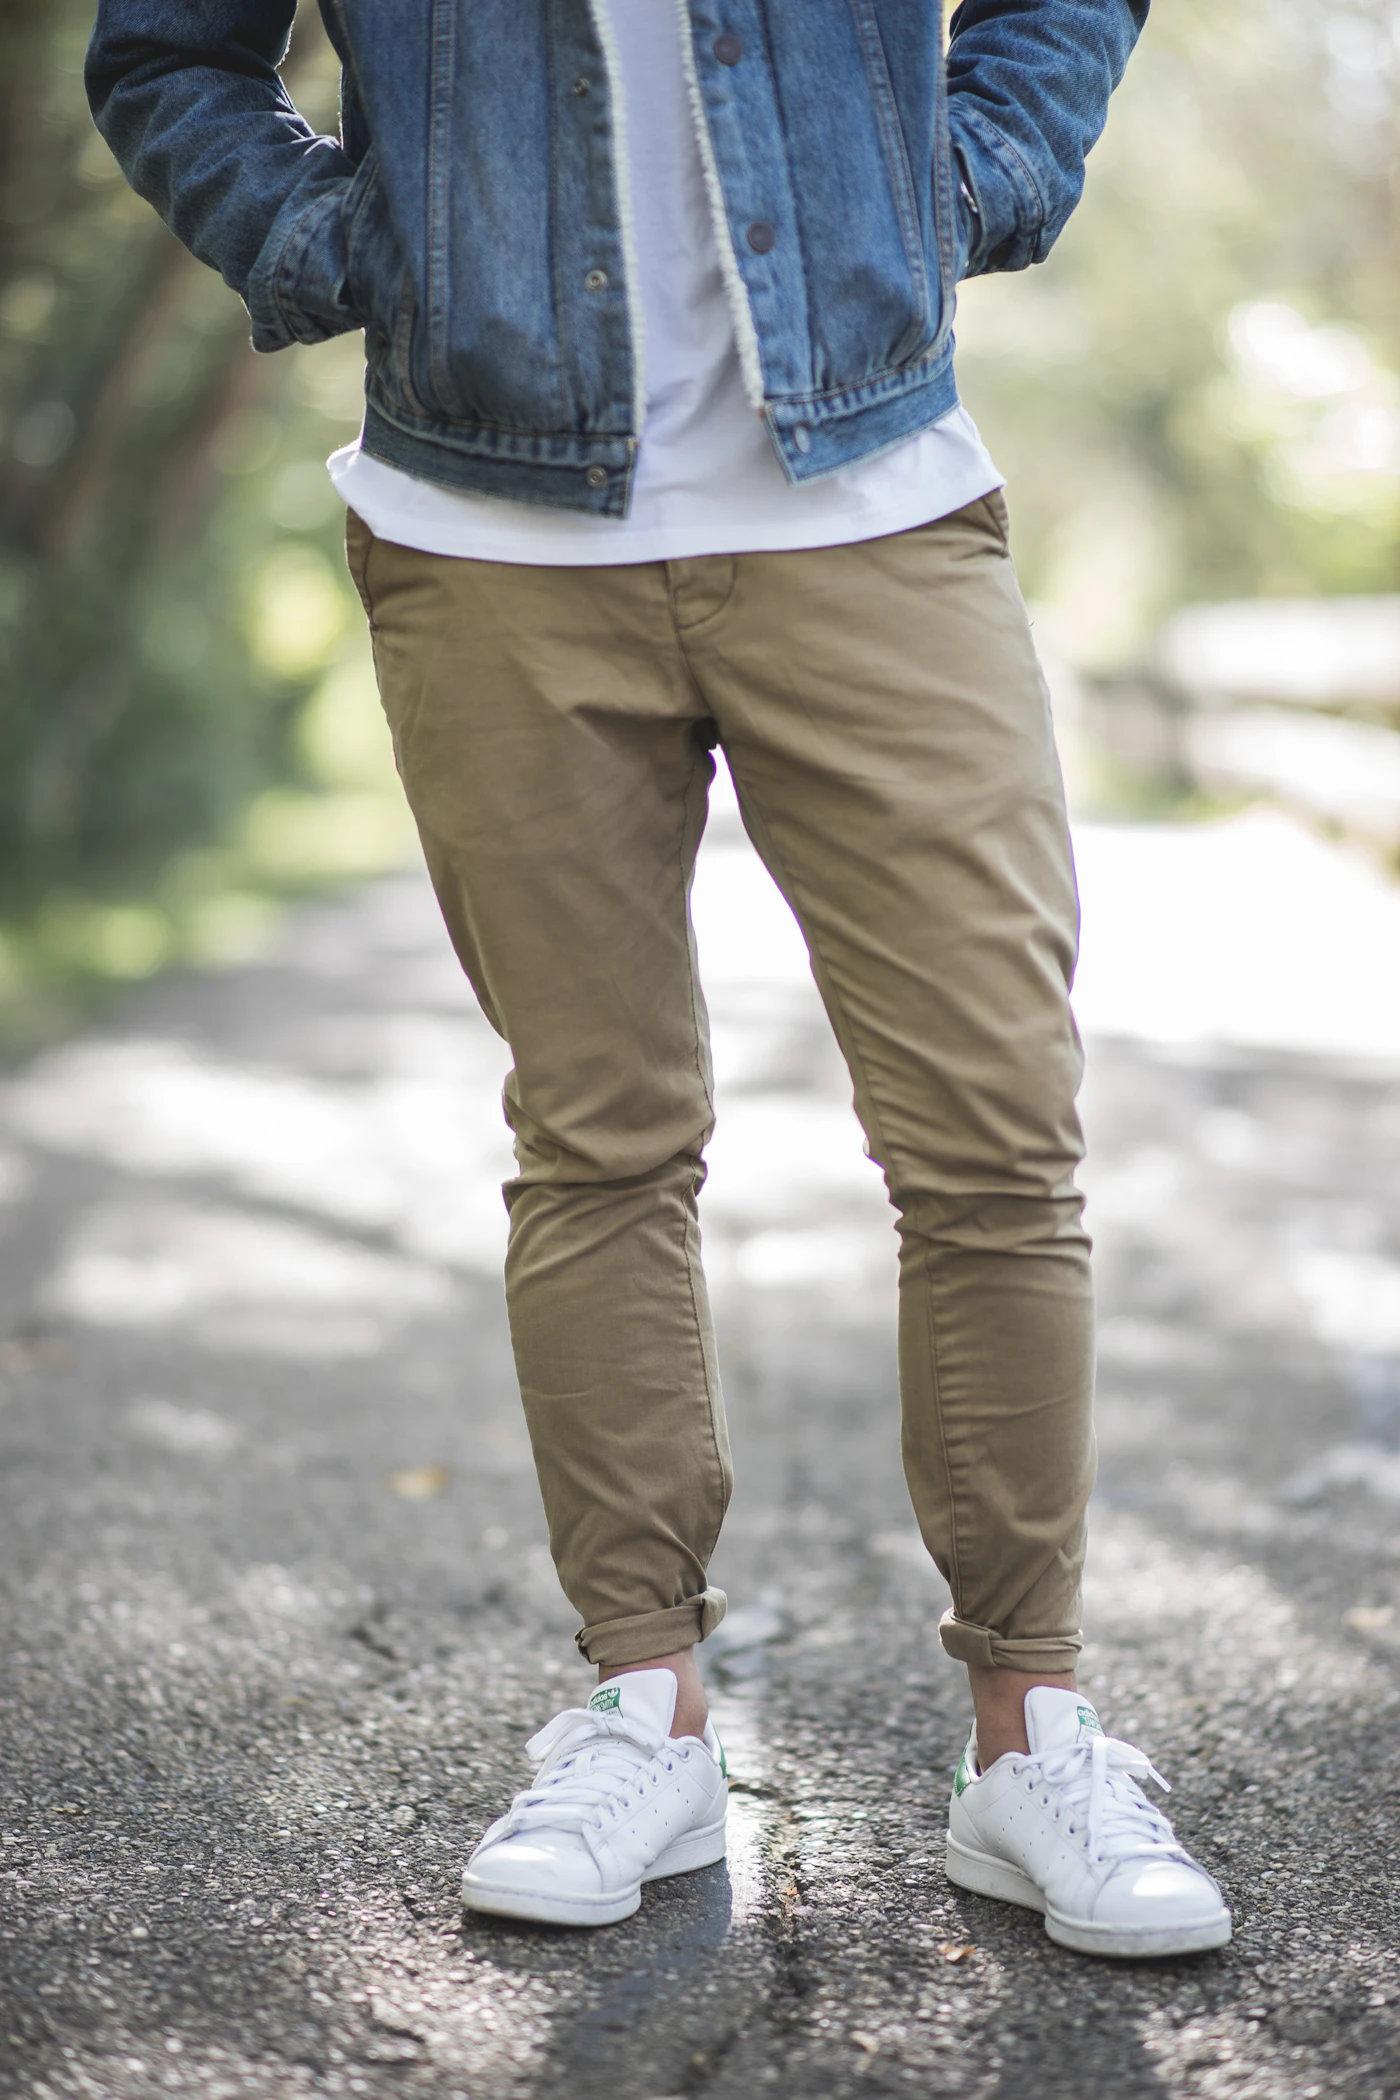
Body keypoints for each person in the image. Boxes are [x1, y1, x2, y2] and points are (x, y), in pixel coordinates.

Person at [87, 0, 1230, 1959]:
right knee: (598, 1133)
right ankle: (644, 1716)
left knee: (992, 1137)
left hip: (871, 501)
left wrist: (968, 173)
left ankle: (1031, 1737)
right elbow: (166, 53)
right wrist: (344, 239)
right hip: (487, 533)